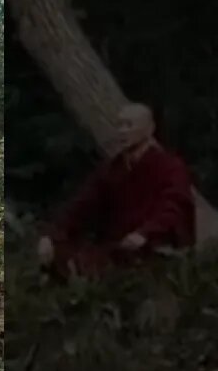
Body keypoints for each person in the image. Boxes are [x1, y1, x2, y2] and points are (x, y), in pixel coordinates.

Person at [37, 103, 195, 279]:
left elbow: (175, 205)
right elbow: (81, 205)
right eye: (119, 125)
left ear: (149, 129)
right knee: (61, 257)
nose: (122, 131)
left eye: (129, 125)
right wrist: (52, 236)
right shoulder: (112, 169)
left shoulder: (170, 167)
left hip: (153, 247)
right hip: (116, 248)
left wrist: (145, 233)